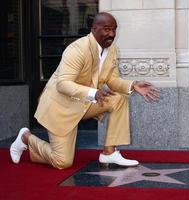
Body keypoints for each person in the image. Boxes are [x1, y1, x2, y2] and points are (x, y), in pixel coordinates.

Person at [9, 12, 160, 170]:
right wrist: (93, 93)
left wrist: (133, 85)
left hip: (84, 103)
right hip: (61, 108)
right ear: (94, 29)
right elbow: (63, 84)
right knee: (62, 162)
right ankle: (26, 138)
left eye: (114, 29)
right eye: (107, 29)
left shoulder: (112, 50)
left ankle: (109, 153)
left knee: (119, 99)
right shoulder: (77, 49)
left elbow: (112, 79)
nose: (112, 34)